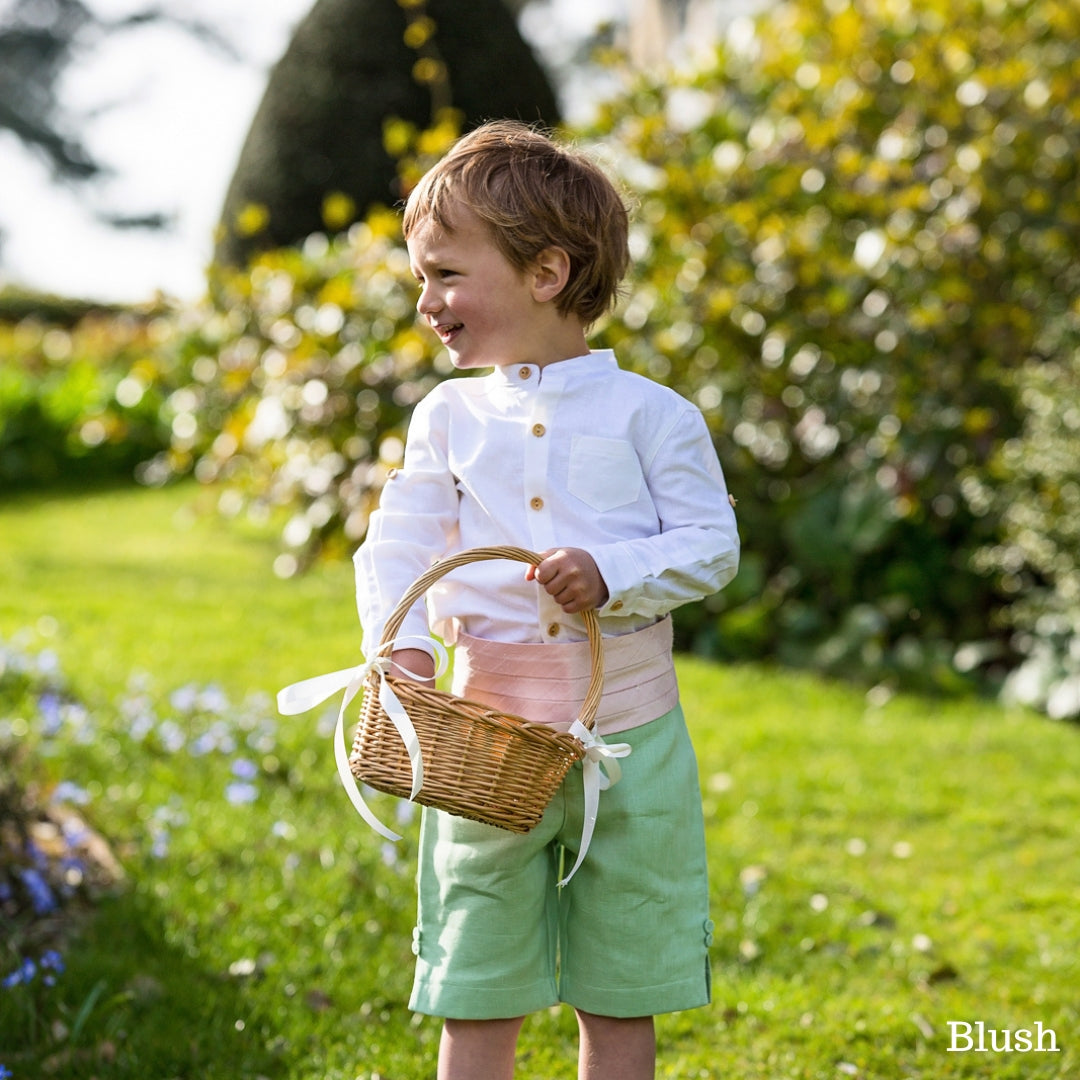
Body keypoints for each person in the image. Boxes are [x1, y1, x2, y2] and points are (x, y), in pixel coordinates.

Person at [353, 119, 740, 1080]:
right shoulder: (444, 417)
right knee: (473, 969)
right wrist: (396, 649)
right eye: (420, 277)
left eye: (445, 274)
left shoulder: (653, 415)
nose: (426, 301)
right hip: (483, 738)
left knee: (624, 976)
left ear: (546, 273)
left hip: (631, 738)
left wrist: (615, 573)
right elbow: (401, 536)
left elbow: (712, 544)